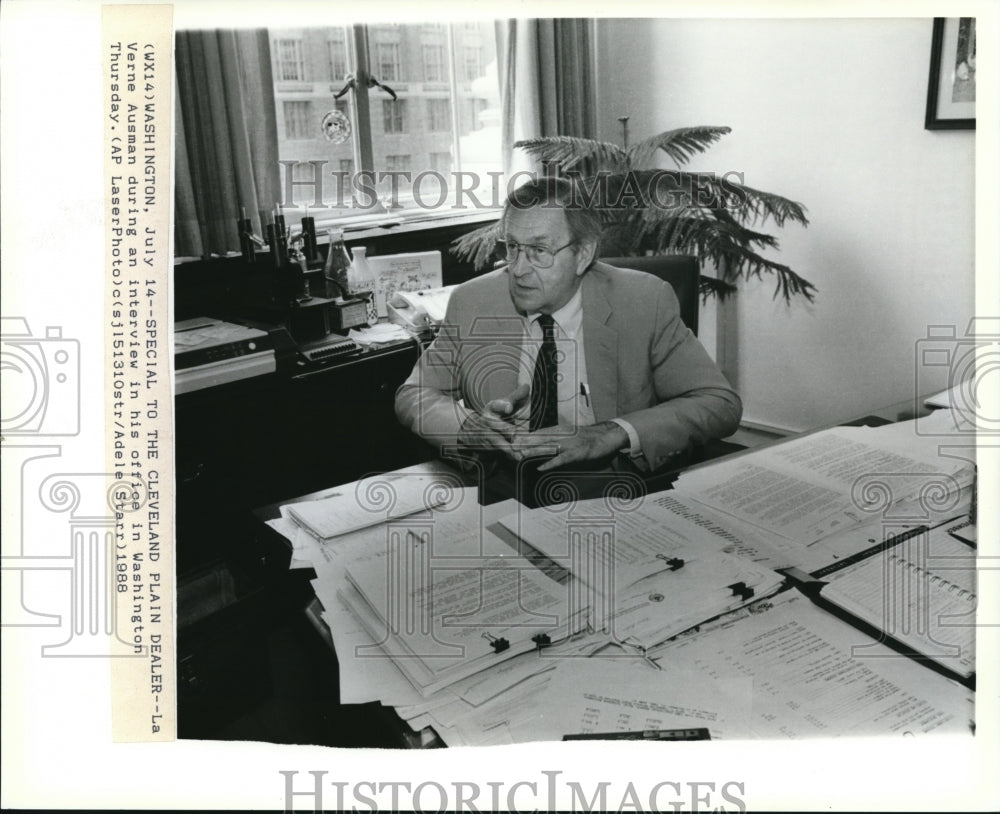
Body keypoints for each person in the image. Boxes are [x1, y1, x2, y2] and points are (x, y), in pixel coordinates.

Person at [394, 176, 742, 474]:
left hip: (609, 484)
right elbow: (412, 395)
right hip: (506, 486)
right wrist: (467, 428)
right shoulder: (473, 302)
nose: (517, 268)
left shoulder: (643, 300)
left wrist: (610, 433)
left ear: (584, 254)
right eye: (512, 247)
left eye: (539, 251)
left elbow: (718, 403)